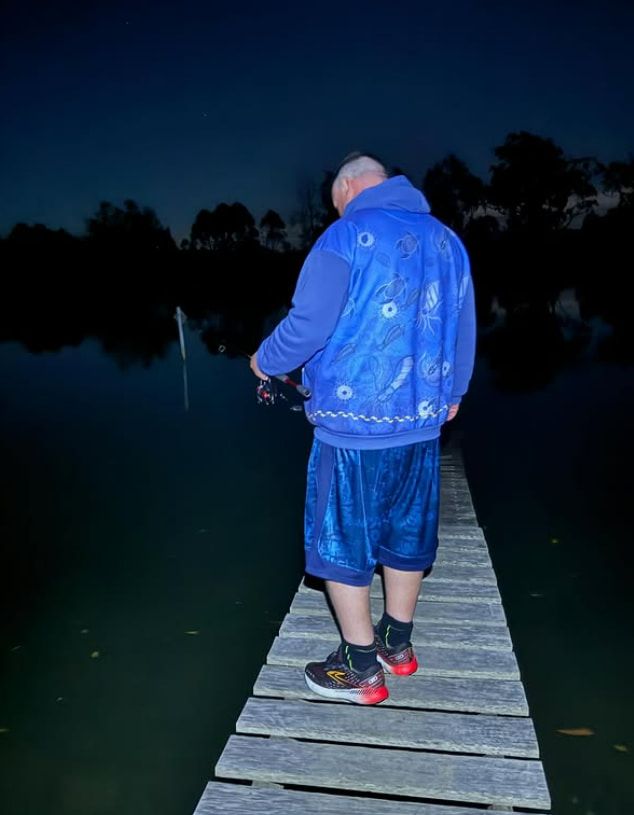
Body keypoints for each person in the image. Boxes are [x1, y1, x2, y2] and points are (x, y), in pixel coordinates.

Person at [250, 153, 476, 704]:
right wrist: (455, 393)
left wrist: (265, 358)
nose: (338, 209)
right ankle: (398, 646)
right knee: (406, 535)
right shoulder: (448, 240)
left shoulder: (343, 238)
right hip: (422, 425)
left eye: (336, 201)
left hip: (353, 432)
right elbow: (463, 323)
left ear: (348, 189)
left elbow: (307, 325)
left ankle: (360, 669)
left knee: (342, 542)